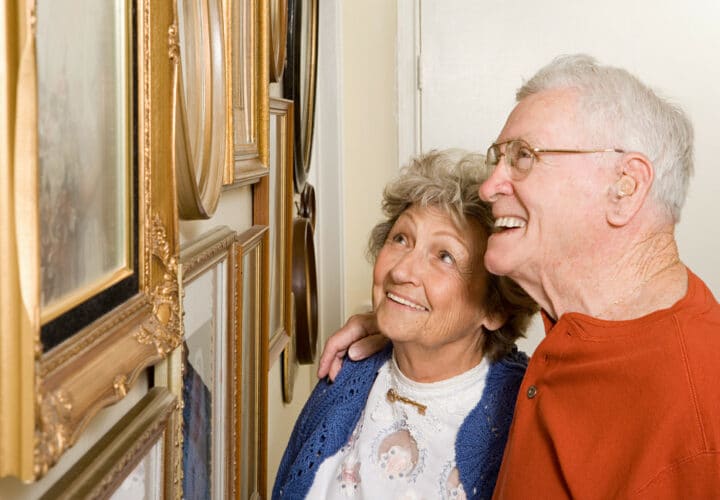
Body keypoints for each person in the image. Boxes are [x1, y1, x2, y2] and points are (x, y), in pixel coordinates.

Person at [318, 54, 720, 498]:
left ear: (625, 185)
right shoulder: (583, 328)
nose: (491, 187)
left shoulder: (699, 414)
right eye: (500, 157)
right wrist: (403, 323)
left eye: (523, 157)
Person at [274, 150, 537, 499]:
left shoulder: (525, 417)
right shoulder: (345, 376)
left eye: (444, 256)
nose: (401, 271)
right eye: (401, 239)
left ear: (494, 307)